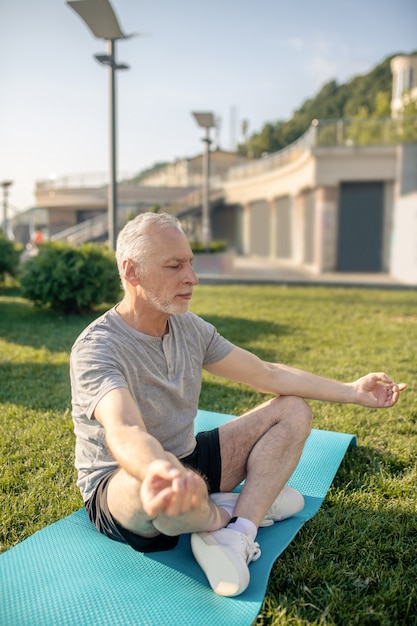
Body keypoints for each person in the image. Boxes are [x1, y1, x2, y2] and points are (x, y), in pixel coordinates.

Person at [70, 212, 406, 597]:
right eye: (175, 266)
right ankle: (222, 512)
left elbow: (267, 374)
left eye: (191, 263)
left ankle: (237, 533)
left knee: (293, 410)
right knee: (161, 488)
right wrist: (161, 471)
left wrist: (352, 391)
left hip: (188, 457)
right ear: (132, 272)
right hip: (122, 486)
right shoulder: (97, 348)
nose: (192, 278)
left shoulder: (189, 328)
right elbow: (124, 429)